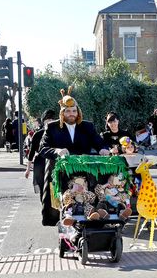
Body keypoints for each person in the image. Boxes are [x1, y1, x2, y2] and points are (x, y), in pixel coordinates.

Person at [38, 87, 110, 226]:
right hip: (61, 171)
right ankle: (64, 216)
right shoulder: (52, 127)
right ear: (62, 112)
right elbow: (42, 148)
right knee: (65, 197)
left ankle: (93, 214)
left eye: (74, 111)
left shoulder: (87, 126)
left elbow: (99, 142)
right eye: (68, 111)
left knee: (88, 194)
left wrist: (103, 149)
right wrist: (57, 151)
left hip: (84, 171)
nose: (71, 114)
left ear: (78, 112)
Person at [24, 109, 56, 201]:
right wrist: (27, 169)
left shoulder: (56, 133)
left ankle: (51, 207)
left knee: (52, 186)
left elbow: (31, 152)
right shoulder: (38, 134)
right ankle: (47, 206)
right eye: (48, 119)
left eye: (51, 119)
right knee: (44, 187)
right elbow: (31, 152)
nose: (50, 121)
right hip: (42, 163)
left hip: (50, 162)